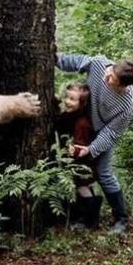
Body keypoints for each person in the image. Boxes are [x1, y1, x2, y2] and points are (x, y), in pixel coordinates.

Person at [56, 53, 133, 234]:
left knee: (103, 173)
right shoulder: (100, 65)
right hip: (83, 125)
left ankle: (121, 219)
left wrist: (91, 149)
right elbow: (76, 61)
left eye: (112, 79)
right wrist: (53, 58)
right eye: (110, 72)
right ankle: (86, 216)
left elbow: (112, 133)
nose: (106, 77)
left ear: (122, 86)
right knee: (77, 173)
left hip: (102, 134)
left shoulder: (125, 104)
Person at [54, 82, 102, 229]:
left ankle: (92, 220)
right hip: (76, 161)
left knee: (82, 187)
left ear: (82, 103)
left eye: (72, 99)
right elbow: (59, 123)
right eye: (67, 97)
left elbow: (82, 143)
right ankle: (83, 215)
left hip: (83, 162)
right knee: (79, 187)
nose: (67, 102)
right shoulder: (70, 115)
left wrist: (72, 149)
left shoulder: (82, 122)